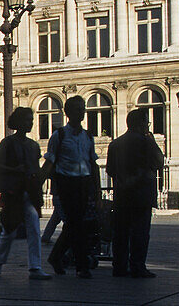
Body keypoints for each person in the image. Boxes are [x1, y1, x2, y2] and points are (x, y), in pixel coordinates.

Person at [0, 107, 52, 280]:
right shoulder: (8, 143)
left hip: (28, 192)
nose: (30, 123)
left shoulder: (33, 145)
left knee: (34, 228)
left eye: (31, 120)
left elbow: (35, 169)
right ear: (18, 123)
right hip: (13, 192)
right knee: (8, 231)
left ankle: (35, 267)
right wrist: (14, 169)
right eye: (27, 120)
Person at [42, 95, 98, 278]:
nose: (81, 113)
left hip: (84, 183)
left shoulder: (88, 136)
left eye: (83, 109)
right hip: (67, 184)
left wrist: (95, 191)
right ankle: (82, 265)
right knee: (77, 225)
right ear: (68, 113)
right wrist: (39, 183)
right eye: (77, 109)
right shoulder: (59, 135)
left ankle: (56, 256)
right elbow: (50, 162)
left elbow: (92, 163)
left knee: (75, 225)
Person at [106, 109, 164, 278]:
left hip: (122, 195)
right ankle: (138, 266)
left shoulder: (115, 144)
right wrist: (151, 140)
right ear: (141, 124)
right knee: (140, 233)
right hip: (141, 194)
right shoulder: (146, 141)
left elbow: (109, 170)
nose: (147, 126)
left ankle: (119, 266)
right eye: (147, 122)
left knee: (121, 233)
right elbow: (159, 162)